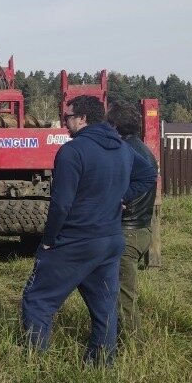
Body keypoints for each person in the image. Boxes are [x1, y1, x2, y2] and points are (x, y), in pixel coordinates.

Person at [21, 95, 157, 364]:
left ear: (82, 118)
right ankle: (101, 367)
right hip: (110, 242)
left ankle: (35, 367)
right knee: (104, 310)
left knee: (37, 301)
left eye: (67, 117)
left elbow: (61, 204)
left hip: (74, 241)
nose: (64, 123)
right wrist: (121, 197)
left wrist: (49, 239)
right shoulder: (122, 148)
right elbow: (149, 175)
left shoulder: (73, 151)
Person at [106, 99, 158, 342]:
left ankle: (133, 346)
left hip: (127, 231)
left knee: (122, 297)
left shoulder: (125, 152)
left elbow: (122, 188)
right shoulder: (144, 149)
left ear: (115, 125)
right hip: (141, 229)